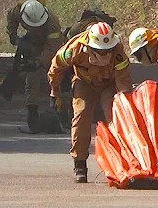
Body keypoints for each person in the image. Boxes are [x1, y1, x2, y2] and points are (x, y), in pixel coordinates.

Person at [48, 22, 132, 183]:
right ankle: (79, 164)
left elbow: (123, 83)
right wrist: (55, 91)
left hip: (109, 85)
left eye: (107, 51)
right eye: (100, 51)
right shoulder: (73, 49)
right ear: (90, 47)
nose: (105, 55)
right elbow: (56, 67)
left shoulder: (118, 53)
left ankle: (122, 162)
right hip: (83, 83)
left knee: (115, 118)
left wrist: (124, 103)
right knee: (82, 114)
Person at [5, 0, 64, 133]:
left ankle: (55, 110)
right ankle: (25, 103)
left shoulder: (52, 23)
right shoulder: (19, 10)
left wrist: (38, 61)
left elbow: (51, 48)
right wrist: (13, 35)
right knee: (20, 68)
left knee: (37, 75)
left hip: (46, 46)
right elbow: (12, 19)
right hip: (31, 41)